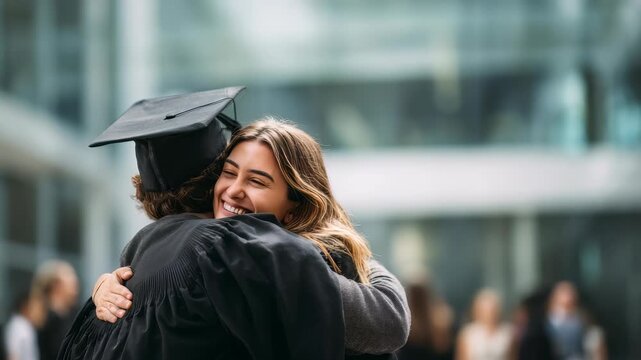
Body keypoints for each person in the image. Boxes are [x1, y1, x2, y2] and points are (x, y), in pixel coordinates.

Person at [59, 87, 407, 359]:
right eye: (228, 173)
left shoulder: (149, 249)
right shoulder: (238, 254)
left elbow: (385, 322)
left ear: (297, 201)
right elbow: (390, 317)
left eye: (257, 181)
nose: (234, 190)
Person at [31, 261, 79, 360]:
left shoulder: (73, 314)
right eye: (72, 283)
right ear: (57, 285)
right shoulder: (44, 320)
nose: (76, 289)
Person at [456, 289, 512, 360]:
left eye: (492, 309)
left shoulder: (507, 332)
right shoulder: (468, 333)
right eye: (485, 310)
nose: (489, 314)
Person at [4, 290, 46, 360]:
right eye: (38, 309)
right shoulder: (18, 327)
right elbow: (13, 356)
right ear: (25, 308)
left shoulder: (25, 326)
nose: (41, 313)